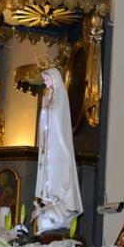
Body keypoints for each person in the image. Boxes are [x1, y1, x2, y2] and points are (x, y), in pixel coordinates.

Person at [33, 67, 83, 234]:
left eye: (46, 78)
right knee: (48, 173)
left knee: (58, 175)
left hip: (58, 146)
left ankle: (59, 203)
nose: (45, 81)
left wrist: (47, 109)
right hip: (50, 147)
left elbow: (58, 119)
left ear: (54, 78)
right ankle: (49, 202)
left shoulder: (61, 95)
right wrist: (44, 108)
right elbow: (45, 121)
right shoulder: (48, 95)